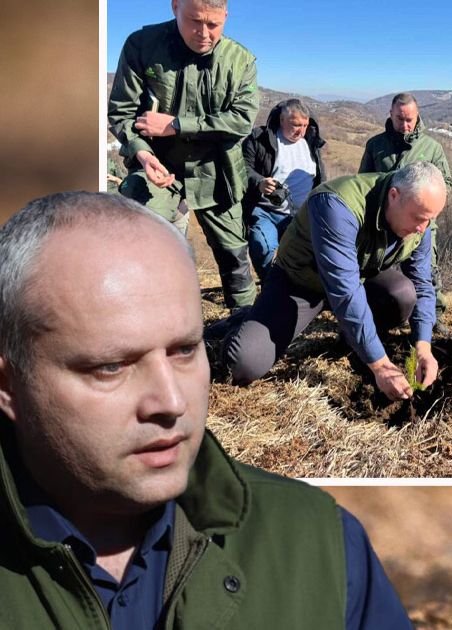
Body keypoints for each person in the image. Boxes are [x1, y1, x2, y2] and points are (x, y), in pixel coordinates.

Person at [0, 192, 412, 628]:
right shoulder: (339, 207)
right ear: (8, 386)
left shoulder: (323, 545)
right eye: (111, 367)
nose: (172, 403)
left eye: (184, 350)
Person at [220, 162, 446, 401]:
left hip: (359, 275)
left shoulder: (421, 218)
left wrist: (423, 345)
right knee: (243, 364)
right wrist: (380, 365)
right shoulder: (336, 204)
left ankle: (353, 340)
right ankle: (242, 318)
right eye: (419, 218)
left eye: (429, 220)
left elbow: (422, 283)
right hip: (301, 283)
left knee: (402, 295)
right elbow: (345, 292)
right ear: (394, 196)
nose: (423, 229)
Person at [108, 0, 260, 310]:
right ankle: (151, 318)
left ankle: (243, 325)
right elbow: (121, 113)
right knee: (139, 240)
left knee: (234, 255)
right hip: (159, 167)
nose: (203, 33)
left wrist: (176, 125)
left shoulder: (240, 61)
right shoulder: (142, 45)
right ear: (175, 6)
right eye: (194, 21)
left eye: (214, 25)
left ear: (226, 17)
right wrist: (142, 154)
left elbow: (242, 120)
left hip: (217, 172)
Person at [359, 93, 452, 333]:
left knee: (427, 272)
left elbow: (446, 184)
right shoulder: (376, 145)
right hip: (384, 224)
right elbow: (363, 182)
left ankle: (432, 319)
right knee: (380, 271)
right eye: (399, 119)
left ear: (418, 115)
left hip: (421, 225)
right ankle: (380, 314)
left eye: (410, 119)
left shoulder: (432, 148)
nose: (405, 124)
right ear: (390, 115)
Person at [241, 98, 327, 276]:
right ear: (281, 120)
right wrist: (259, 182)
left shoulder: (311, 142)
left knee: (305, 258)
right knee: (263, 248)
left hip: (302, 214)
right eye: (295, 124)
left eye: (304, 125)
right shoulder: (260, 140)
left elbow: (320, 178)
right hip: (265, 210)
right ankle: (271, 289)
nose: (300, 131)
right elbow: (242, 168)